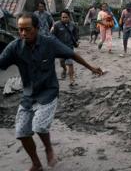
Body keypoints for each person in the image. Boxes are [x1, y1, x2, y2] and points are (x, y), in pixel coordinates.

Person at [0, 12, 103, 171]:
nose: (23, 33)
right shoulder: (15, 47)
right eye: (20, 30)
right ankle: (36, 163)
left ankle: (48, 148)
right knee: (21, 132)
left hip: (48, 92)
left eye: (27, 29)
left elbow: (72, 54)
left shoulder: (49, 43)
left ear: (37, 28)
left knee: (40, 126)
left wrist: (91, 68)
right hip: (28, 94)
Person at [51, 10, 79, 86]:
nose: (64, 19)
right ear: (61, 17)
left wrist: (76, 41)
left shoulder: (72, 25)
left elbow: (76, 34)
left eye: (66, 17)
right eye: (63, 17)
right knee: (62, 62)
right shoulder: (56, 25)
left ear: (69, 17)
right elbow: (52, 35)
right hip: (60, 47)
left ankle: (71, 79)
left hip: (69, 47)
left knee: (70, 63)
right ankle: (64, 69)